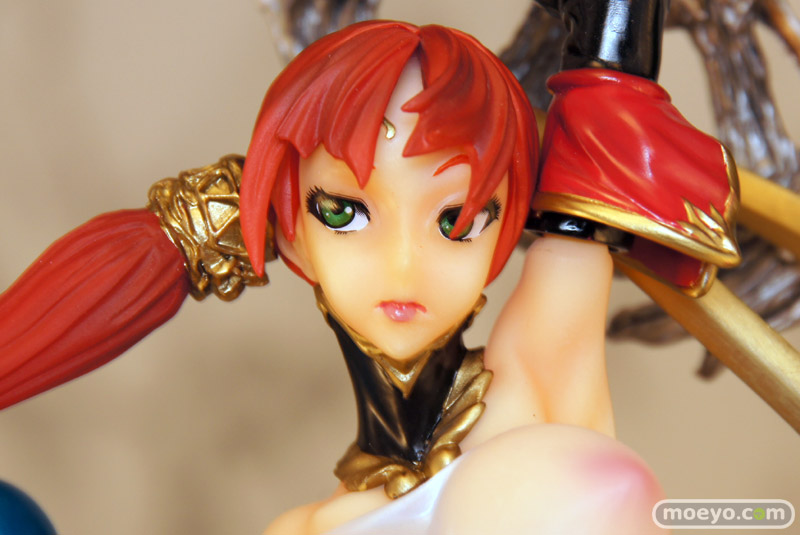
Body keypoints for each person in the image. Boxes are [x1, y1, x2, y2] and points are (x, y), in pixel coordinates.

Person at [0, 14, 738, 535]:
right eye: (346, 212)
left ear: (506, 229)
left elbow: (610, 86)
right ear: (291, 237)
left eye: (457, 220)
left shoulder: (541, 385)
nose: (405, 264)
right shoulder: (309, 527)